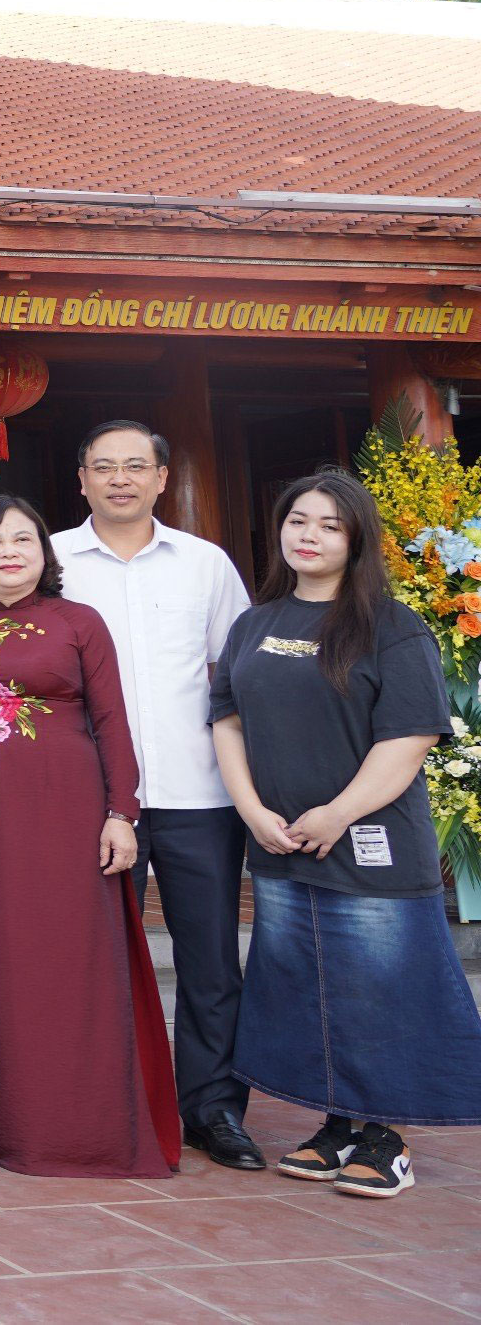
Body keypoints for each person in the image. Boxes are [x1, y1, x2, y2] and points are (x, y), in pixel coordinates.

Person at [211, 470, 481, 1199]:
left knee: (379, 988)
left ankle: (386, 1138)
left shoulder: (390, 625)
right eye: (298, 520)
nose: (310, 535)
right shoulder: (256, 624)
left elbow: (410, 737)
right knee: (307, 985)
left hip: (371, 844)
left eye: (330, 524)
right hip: (278, 843)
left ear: (357, 537)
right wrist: (249, 808)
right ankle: (338, 1126)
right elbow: (227, 719)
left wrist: (338, 812)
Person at [0, 495, 177, 1178]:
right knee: (0, 951)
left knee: (73, 957)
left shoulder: (80, 621)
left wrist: (121, 812)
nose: (8, 551)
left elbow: (112, 720)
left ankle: (82, 1123)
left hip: (73, 810)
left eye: (24, 538)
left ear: (46, 552)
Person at [53, 420, 261, 1171]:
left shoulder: (205, 565)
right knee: (97, 955)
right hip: (92, 802)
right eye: (103, 466)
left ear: (162, 477)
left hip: (196, 793)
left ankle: (212, 1108)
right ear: (81, 479)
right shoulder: (49, 561)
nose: (119, 479)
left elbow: (235, 677)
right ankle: (112, 1100)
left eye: (135, 466)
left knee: (209, 960)